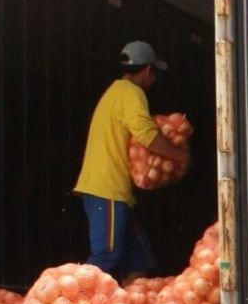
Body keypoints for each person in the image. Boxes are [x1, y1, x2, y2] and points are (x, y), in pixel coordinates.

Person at [73, 40, 191, 281]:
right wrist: (179, 155)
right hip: (106, 189)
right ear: (147, 70)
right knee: (106, 256)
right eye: (153, 72)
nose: (153, 79)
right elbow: (146, 134)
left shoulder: (116, 92)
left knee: (138, 259)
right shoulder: (131, 93)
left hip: (119, 193)